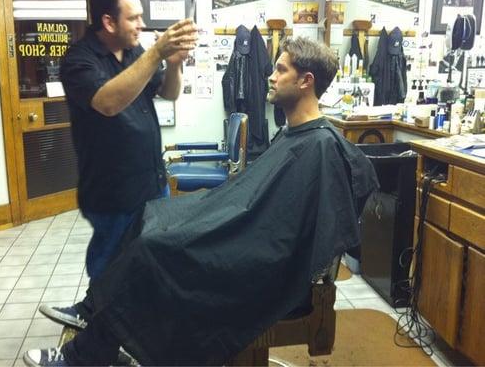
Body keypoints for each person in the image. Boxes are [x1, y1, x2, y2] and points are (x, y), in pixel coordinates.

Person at [24, 37, 378, 367]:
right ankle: (105, 326)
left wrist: (216, 230)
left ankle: (84, 355)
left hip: (267, 270)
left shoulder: (320, 147)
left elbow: (285, 236)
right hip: (254, 244)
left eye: (280, 70)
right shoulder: (298, 134)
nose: (269, 77)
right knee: (150, 217)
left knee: (155, 249)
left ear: (306, 81)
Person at [38, 0, 198, 329]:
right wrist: (157, 51)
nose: (141, 24)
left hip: (151, 181)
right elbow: (108, 103)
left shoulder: (136, 52)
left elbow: (169, 93)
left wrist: (172, 64)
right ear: (108, 22)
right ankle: (94, 325)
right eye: (133, 18)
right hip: (112, 189)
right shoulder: (79, 61)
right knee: (110, 263)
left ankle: (130, 325)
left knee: (144, 261)